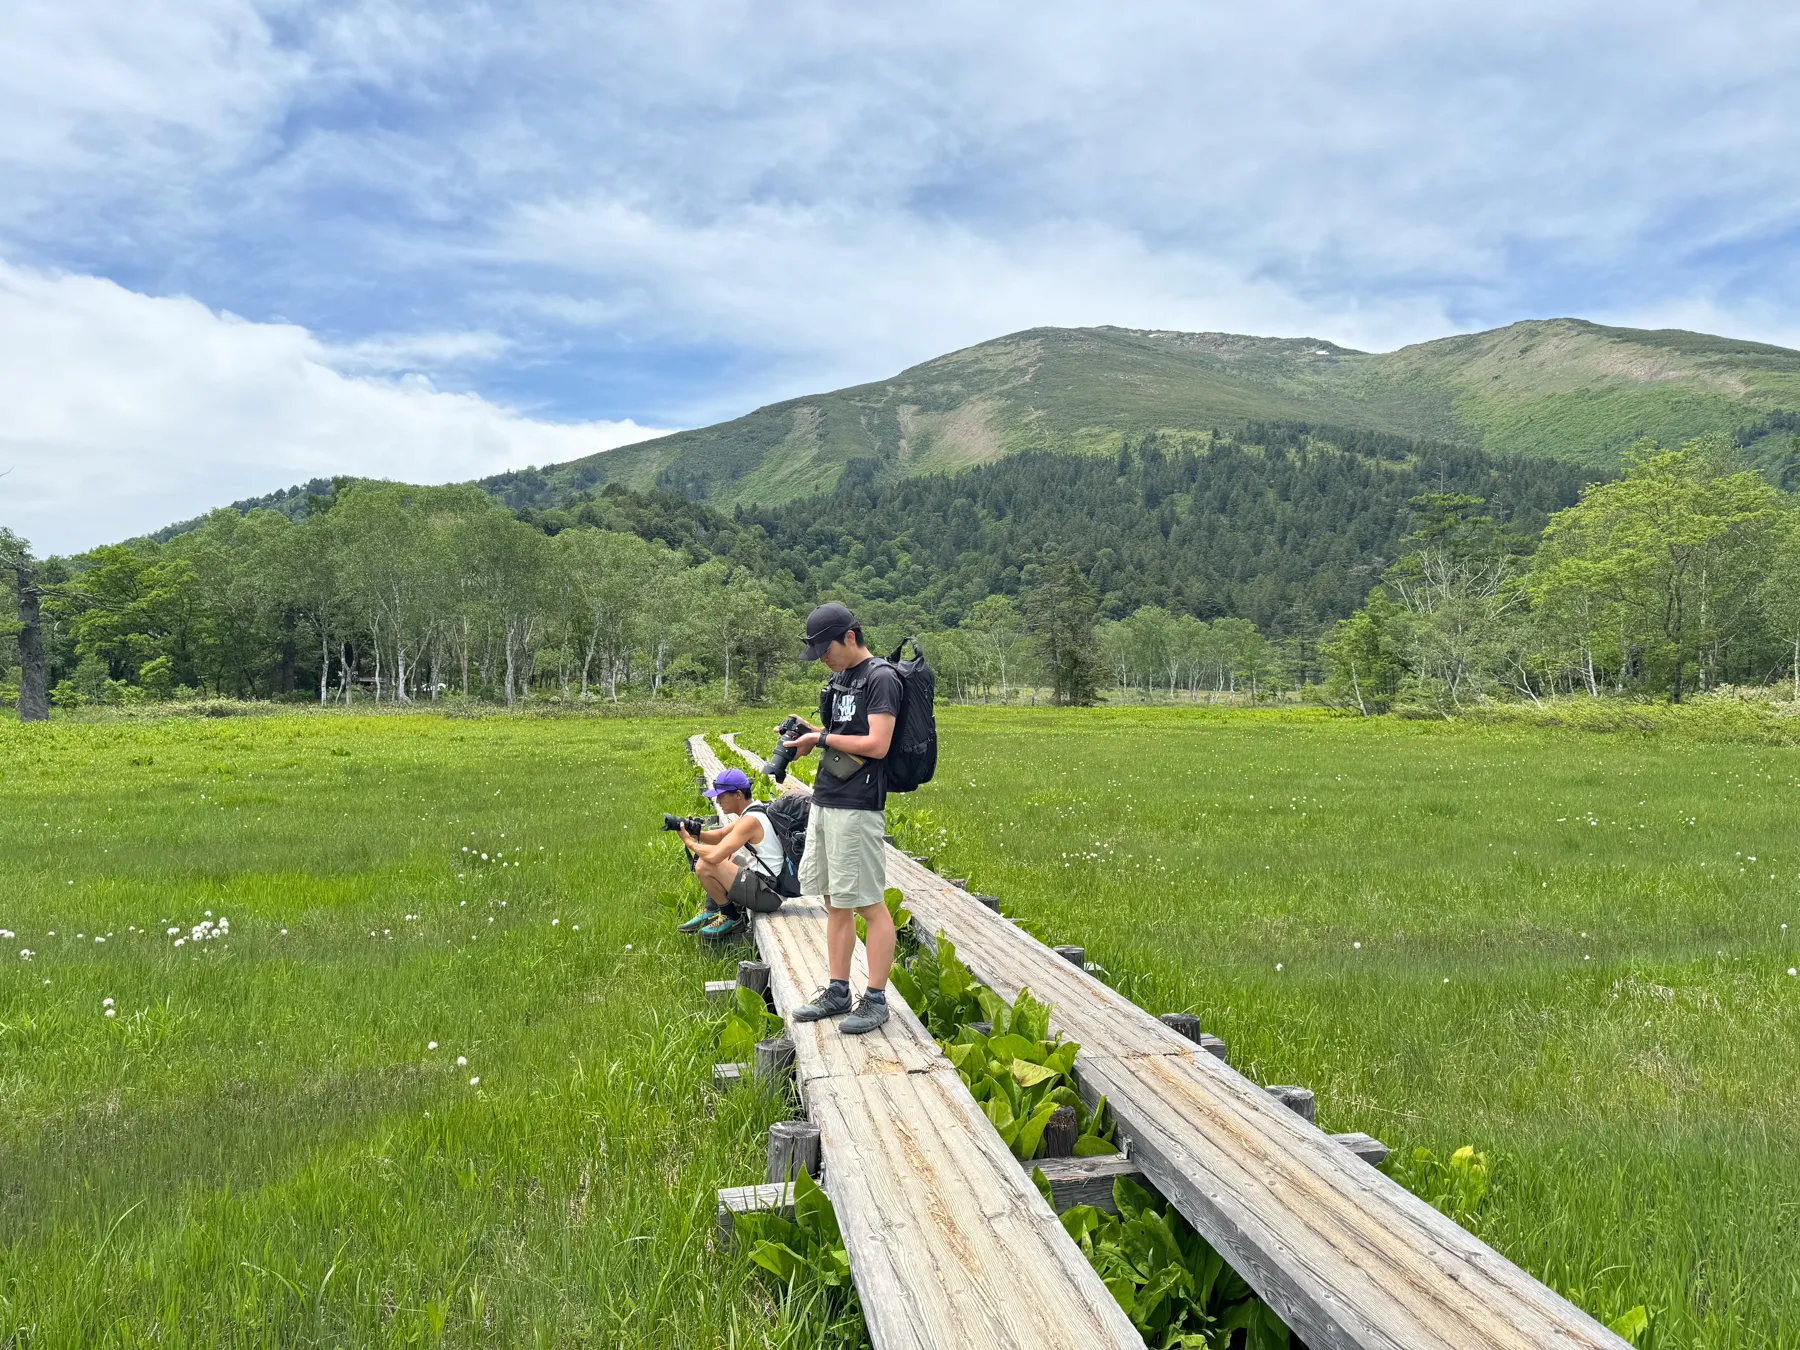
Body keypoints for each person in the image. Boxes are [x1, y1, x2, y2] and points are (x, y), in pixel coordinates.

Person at [778, 603, 902, 1035]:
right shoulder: (840, 678)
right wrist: (808, 731)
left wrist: (821, 736)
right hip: (827, 797)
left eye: (825, 650)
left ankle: (877, 999)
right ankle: (837, 990)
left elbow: (879, 743)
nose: (822, 660)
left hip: (859, 805)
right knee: (834, 899)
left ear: (850, 636)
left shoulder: (881, 678)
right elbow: (843, 740)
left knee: (869, 902)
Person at [674, 767, 786, 940]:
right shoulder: (755, 810)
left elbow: (714, 857)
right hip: (768, 884)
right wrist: (696, 832)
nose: (717, 801)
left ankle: (731, 917)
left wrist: (689, 842)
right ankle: (712, 910)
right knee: (727, 856)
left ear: (738, 795)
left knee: (705, 863)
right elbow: (720, 836)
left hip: (767, 895)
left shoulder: (750, 821)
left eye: (721, 795)